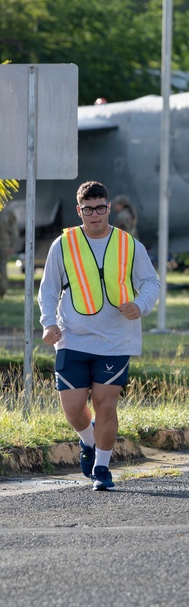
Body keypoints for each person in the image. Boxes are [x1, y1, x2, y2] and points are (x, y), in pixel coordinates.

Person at [38, 181, 160, 490]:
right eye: (89, 209)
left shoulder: (129, 244)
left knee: (106, 405)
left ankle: (102, 468)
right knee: (74, 410)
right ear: (79, 211)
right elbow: (48, 289)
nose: (95, 215)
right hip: (72, 337)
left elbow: (151, 282)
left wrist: (140, 305)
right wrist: (48, 323)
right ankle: (88, 440)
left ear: (108, 208)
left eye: (100, 208)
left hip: (115, 340)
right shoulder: (62, 245)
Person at [0, 203, 18, 298]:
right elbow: (14, 231)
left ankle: (2, 290)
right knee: (3, 268)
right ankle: (2, 291)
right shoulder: (8, 212)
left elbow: (14, 231)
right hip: (5, 244)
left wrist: (12, 245)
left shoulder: (8, 212)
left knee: (3, 268)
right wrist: (12, 245)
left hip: (5, 245)